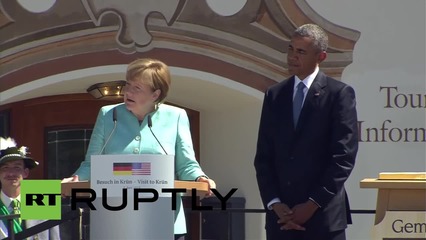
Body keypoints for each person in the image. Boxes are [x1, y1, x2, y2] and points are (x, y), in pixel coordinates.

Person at [62, 58, 216, 240]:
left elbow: (186, 165)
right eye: (128, 85)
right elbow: (92, 162)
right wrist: (76, 178)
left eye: (137, 88)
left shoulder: (176, 117)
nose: (128, 92)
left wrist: (200, 178)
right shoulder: (108, 115)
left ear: (155, 94)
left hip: (165, 221)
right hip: (115, 222)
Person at [254, 24, 358, 240]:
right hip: (281, 221)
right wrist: (274, 203)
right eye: (291, 49)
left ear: (321, 56)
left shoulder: (339, 95)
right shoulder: (275, 95)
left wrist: (311, 205)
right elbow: (264, 157)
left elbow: (343, 158)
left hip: (323, 220)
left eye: (301, 51)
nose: (292, 56)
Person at [0, 137, 61, 240]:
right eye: (5, 168)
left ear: (26, 173)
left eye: (17, 167)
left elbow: (55, 238)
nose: (11, 173)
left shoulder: (43, 197)